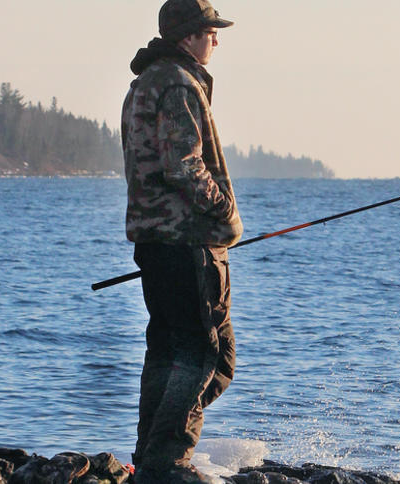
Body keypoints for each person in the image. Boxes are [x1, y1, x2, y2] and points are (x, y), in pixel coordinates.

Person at [121, 0, 242, 481]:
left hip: (156, 243)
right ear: (189, 35)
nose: (217, 39)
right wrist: (225, 211)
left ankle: (151, 455)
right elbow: (184, 165)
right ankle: (167, 461)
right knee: (206, 355)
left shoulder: (144, 83)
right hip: (186, 241)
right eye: (211, 30)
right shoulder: (177, 82)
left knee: (169, 351)